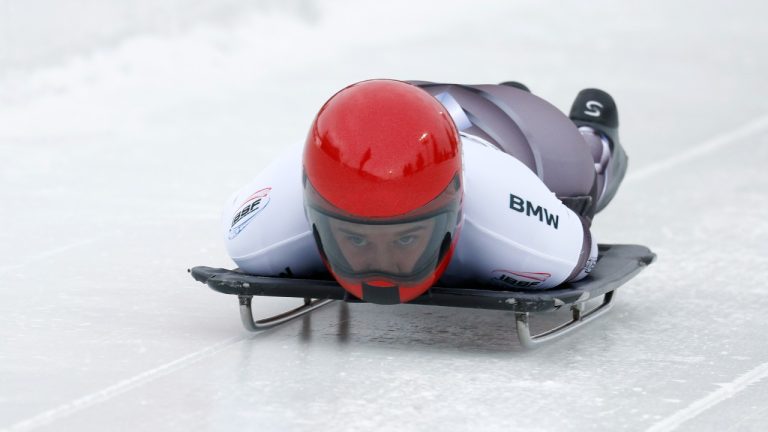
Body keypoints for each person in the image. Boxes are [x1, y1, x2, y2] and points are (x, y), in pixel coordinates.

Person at [222, 79, 628, 304]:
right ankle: (511, 93)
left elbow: (583, 253)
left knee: (583, 181)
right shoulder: (260, 231)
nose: (383, 266)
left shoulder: (535, 243)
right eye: (357, 238)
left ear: (457, 209)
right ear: (311, 214)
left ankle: (592, 136)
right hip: (406, 108)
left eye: (407, 237)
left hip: (513, 133)